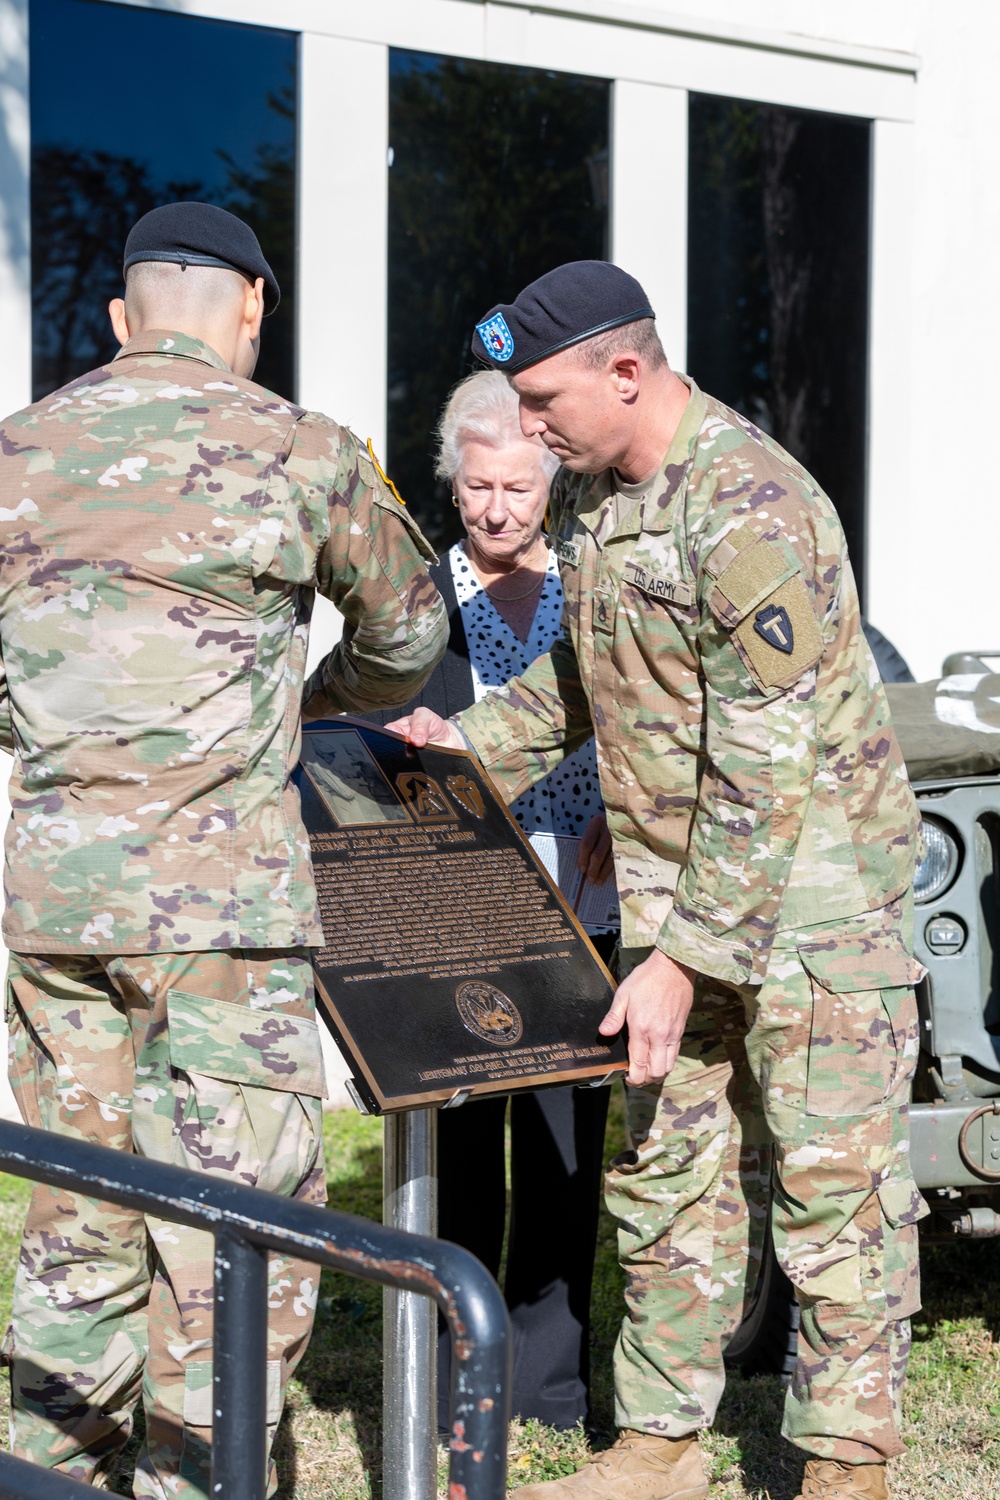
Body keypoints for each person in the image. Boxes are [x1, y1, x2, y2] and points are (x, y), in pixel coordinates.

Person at [392, 261, 924, 1500]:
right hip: (681, 902)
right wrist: (467, 741)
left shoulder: (750, 508)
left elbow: (763, 760)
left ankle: (847, 1463)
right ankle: (657, 1445)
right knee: (663, 1174)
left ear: (624, 373)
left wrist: (681, 956)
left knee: (830, 1191)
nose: (529, 428)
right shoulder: (595, 506)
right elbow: (588, 681)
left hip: (814, 915)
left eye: (543, 399)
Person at [0, 200, 447, 1497]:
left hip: (59, 908)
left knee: (74, 1212)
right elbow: (410, 638)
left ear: (119, 315)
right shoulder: (302, 451)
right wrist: (316, 699)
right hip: (222, 921)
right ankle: (195, 1481)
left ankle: (47, 1476)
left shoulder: (19, 454)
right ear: (254, 308)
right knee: (233, 1235)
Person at [368, 368, 617, 1432]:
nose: (497, 508)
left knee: (566, 1168)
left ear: (552, 482)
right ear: (452, 484)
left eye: (518, 487)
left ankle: (548, 1390)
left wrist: (632, 813)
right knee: (459, 1168)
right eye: (478, 488)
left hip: (589, 913)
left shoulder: (599, 594)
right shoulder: (417, 610)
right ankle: (449, 1392)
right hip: (459, 920)